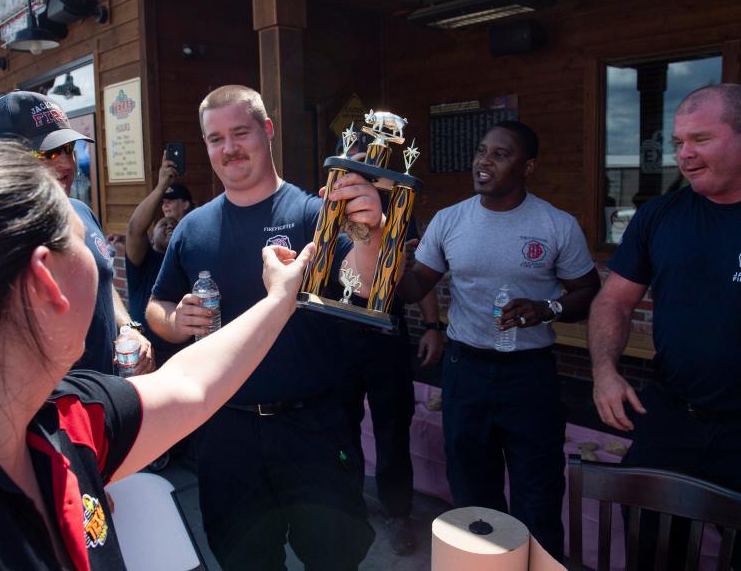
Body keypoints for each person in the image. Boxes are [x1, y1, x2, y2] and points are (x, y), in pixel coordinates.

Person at [0, 142, 315, 568]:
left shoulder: (63, 420)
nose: (104, 267)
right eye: (88, 247)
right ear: (47, 283)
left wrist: (278, 300)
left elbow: (192, 384)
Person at [146, 85, 379, 570]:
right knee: (244, 560)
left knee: (334, 558)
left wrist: (371, 232)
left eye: (240, 133)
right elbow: (156, 305)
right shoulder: (193, 228)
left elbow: (365, 286)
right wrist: (174, 320)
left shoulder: (315, 214)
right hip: (223, 430)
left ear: (267, 131)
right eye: (215, 139)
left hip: (313, 427)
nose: (228, 148)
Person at [588, 83, 741, 569]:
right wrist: (604, 372)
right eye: (678, 142)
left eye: (699, 139)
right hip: (672, 418)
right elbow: (613, 300)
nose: (684, 155)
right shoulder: (661, 215)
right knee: (650, 550)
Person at [398, 120, 600, 561]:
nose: (483, 161)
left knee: (539, 491)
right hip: (465, 370)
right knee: (472, 492)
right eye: (482, 151)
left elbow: (587, 293)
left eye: (500, 154)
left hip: (529, 376)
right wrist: (392, 263)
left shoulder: (555, 224)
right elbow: (415, 288)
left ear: (528, 167)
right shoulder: (450, 220)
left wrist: (548, 309)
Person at [0, 91, 151, 375]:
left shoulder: (80, 212)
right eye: (49, 153)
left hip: (107, 399)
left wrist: (128, 328)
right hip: (51, 410)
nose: (66, 164)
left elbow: (101, 278)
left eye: (68, 149)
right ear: (6, 158)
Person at [337, 132, 445, 556]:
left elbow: (419, 272)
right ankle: (345, 510)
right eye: (356, 163)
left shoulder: (399, 208)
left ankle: (398, 513)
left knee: (392, 430)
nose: (363, 172)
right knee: (338, 431)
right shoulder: (324, 209)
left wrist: (433, 325)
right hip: (339, 336)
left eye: (371, 163)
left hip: (387, 334)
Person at [125, 154, 190, 366]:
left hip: (184, 358)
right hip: (146, 359)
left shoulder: (186, 260)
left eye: (175, 225)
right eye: (164, 225)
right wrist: (162, 186)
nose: (170, 226)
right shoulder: (143, 263)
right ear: (152, 237)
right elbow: (135, 227)